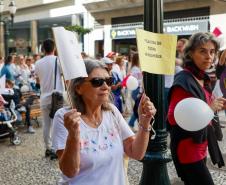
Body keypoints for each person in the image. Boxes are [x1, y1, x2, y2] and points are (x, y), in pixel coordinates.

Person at [52, 60, 156, 185]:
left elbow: (136, 153)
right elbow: (70, 171)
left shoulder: (111, 112)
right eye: (97, 82)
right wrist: (73, 135)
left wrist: (145, 122)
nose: (106, 87)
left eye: (109, 81)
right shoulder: (65, 117)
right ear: (78, 88)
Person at [167, 32, 225, 185]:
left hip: (201, 145)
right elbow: (173, 118)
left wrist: (216, 105)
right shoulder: (184, 79)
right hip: (188, 149)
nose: (209, 56)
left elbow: (201, 106)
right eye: (202, 51)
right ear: (191, 53)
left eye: (212, 52)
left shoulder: (202, 78)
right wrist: (209, 109)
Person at [35, 39, 64, 159]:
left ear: (43, 49)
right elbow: (65, 76)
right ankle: (57, 148)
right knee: (58, 124)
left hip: (44, 97)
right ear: (54, 48)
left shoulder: (38, 63)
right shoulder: (58, 61)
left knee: (46, 125)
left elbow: (37, 80)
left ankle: (48, 148)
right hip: (56, 97)